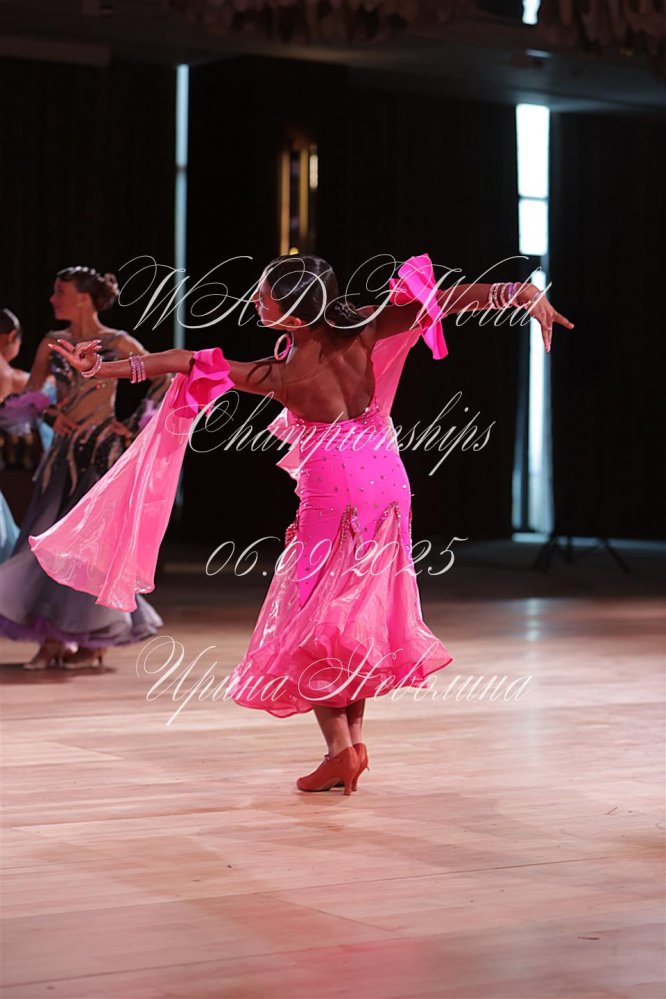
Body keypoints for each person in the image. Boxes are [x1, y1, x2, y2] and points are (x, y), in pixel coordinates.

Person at [32, 253, 573, 790]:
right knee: (351, 616)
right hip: (388, 484)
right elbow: (444, 301)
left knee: (313, 622)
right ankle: (350, 748)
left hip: (334, 495)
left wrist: (103, 370)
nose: (253, 301)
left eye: (263, 296)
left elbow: (186, 361)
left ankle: (340, 750)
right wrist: (519, 293)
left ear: (292, 315)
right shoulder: (364, 328)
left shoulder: (282, 374)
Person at [0, 266, 172, 670]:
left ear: (82, 297)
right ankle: (52, 639)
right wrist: (51, 415)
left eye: (60, 291)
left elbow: (162, 378)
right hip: (61, 459)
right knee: (45, 544)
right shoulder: (51, 342)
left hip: (100, 457)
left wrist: (133, 424)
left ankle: (91, 640)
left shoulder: (118, 342)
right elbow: (31, 396)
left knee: (93, 550)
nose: (52, 299)